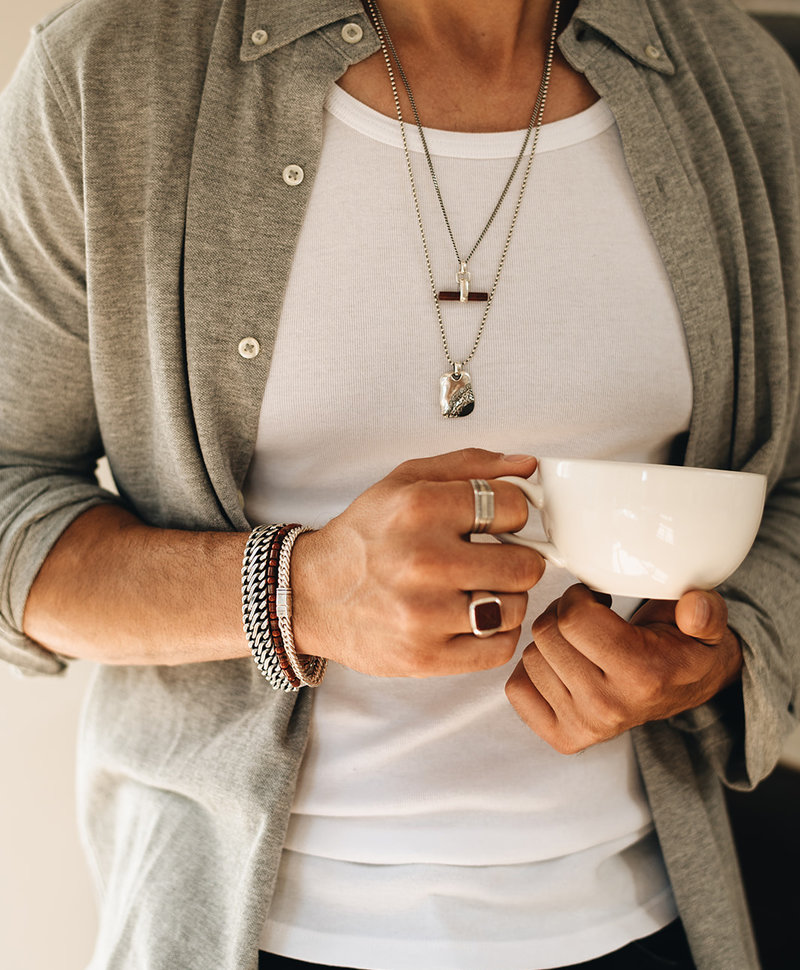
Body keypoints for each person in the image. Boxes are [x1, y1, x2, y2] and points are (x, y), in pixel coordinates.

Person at [0, 0, 798, 968]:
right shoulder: (110, 73)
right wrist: (291, 591)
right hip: (242, 938)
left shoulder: (749, 93)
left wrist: (712, 661)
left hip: (643, 925)